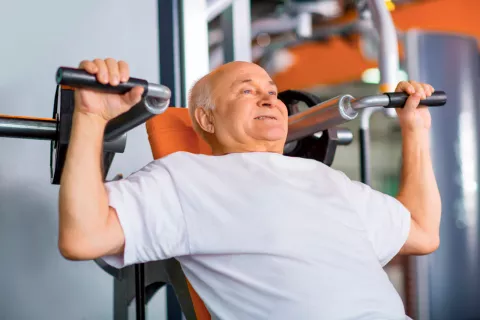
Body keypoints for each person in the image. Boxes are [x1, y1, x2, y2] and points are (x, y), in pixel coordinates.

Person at [58, 58, 441, 319]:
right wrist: (91, 118)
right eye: (246, 91)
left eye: (272, 91)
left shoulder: (325, 179)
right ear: (206, 118)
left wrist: (415, 129)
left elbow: (422, 232)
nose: (269, 98)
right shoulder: (188, 178)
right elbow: (84, 237)